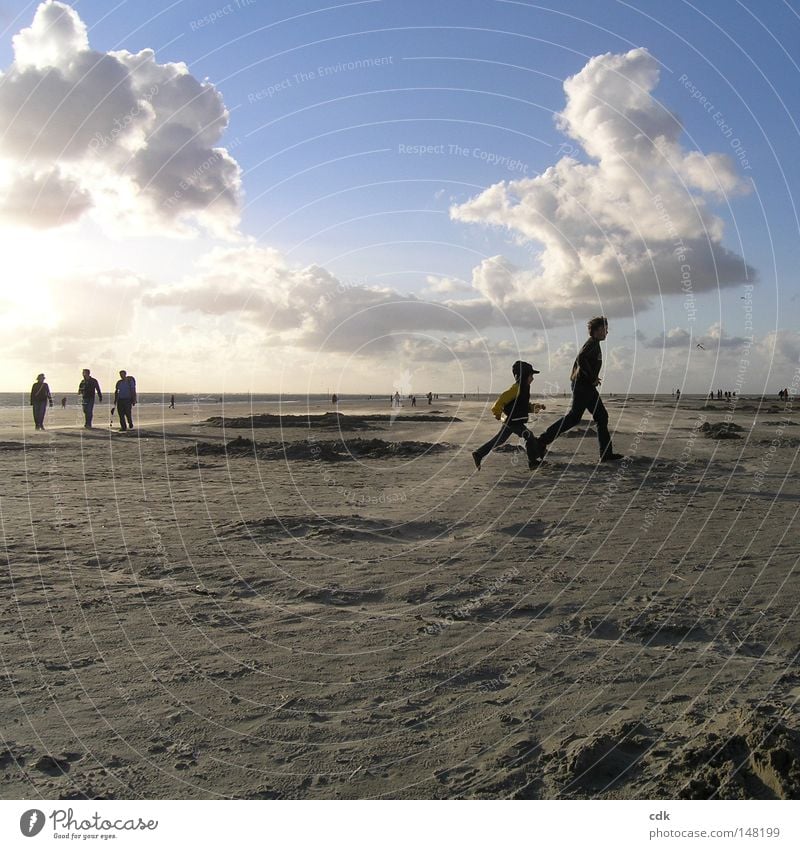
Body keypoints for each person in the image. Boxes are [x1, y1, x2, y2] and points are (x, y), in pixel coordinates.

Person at [537, 316, 623, 462]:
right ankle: (541, 441)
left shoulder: (594, 344)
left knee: (600, 417)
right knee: (575, 417)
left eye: (607, 329)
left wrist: (593, 378)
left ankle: (606, 454)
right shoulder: (591, 344)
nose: (606, 332)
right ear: (595, 331)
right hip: (582, 386)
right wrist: (592, 378)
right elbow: (581, 358)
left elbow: (584, 361)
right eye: (604, 329)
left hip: (586, 386)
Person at [472, 360, 544, 471]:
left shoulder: (524, 388)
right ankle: (533, 462)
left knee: (499, 440)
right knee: (529, 437)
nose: (532, 379)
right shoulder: (516, 389)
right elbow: (500, 401)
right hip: (513, 422)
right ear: (524, 376)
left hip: (513, 421)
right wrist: (497, 412)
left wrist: (536, 407)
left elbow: (523, 406)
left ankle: (479, 453)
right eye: (531, 376)